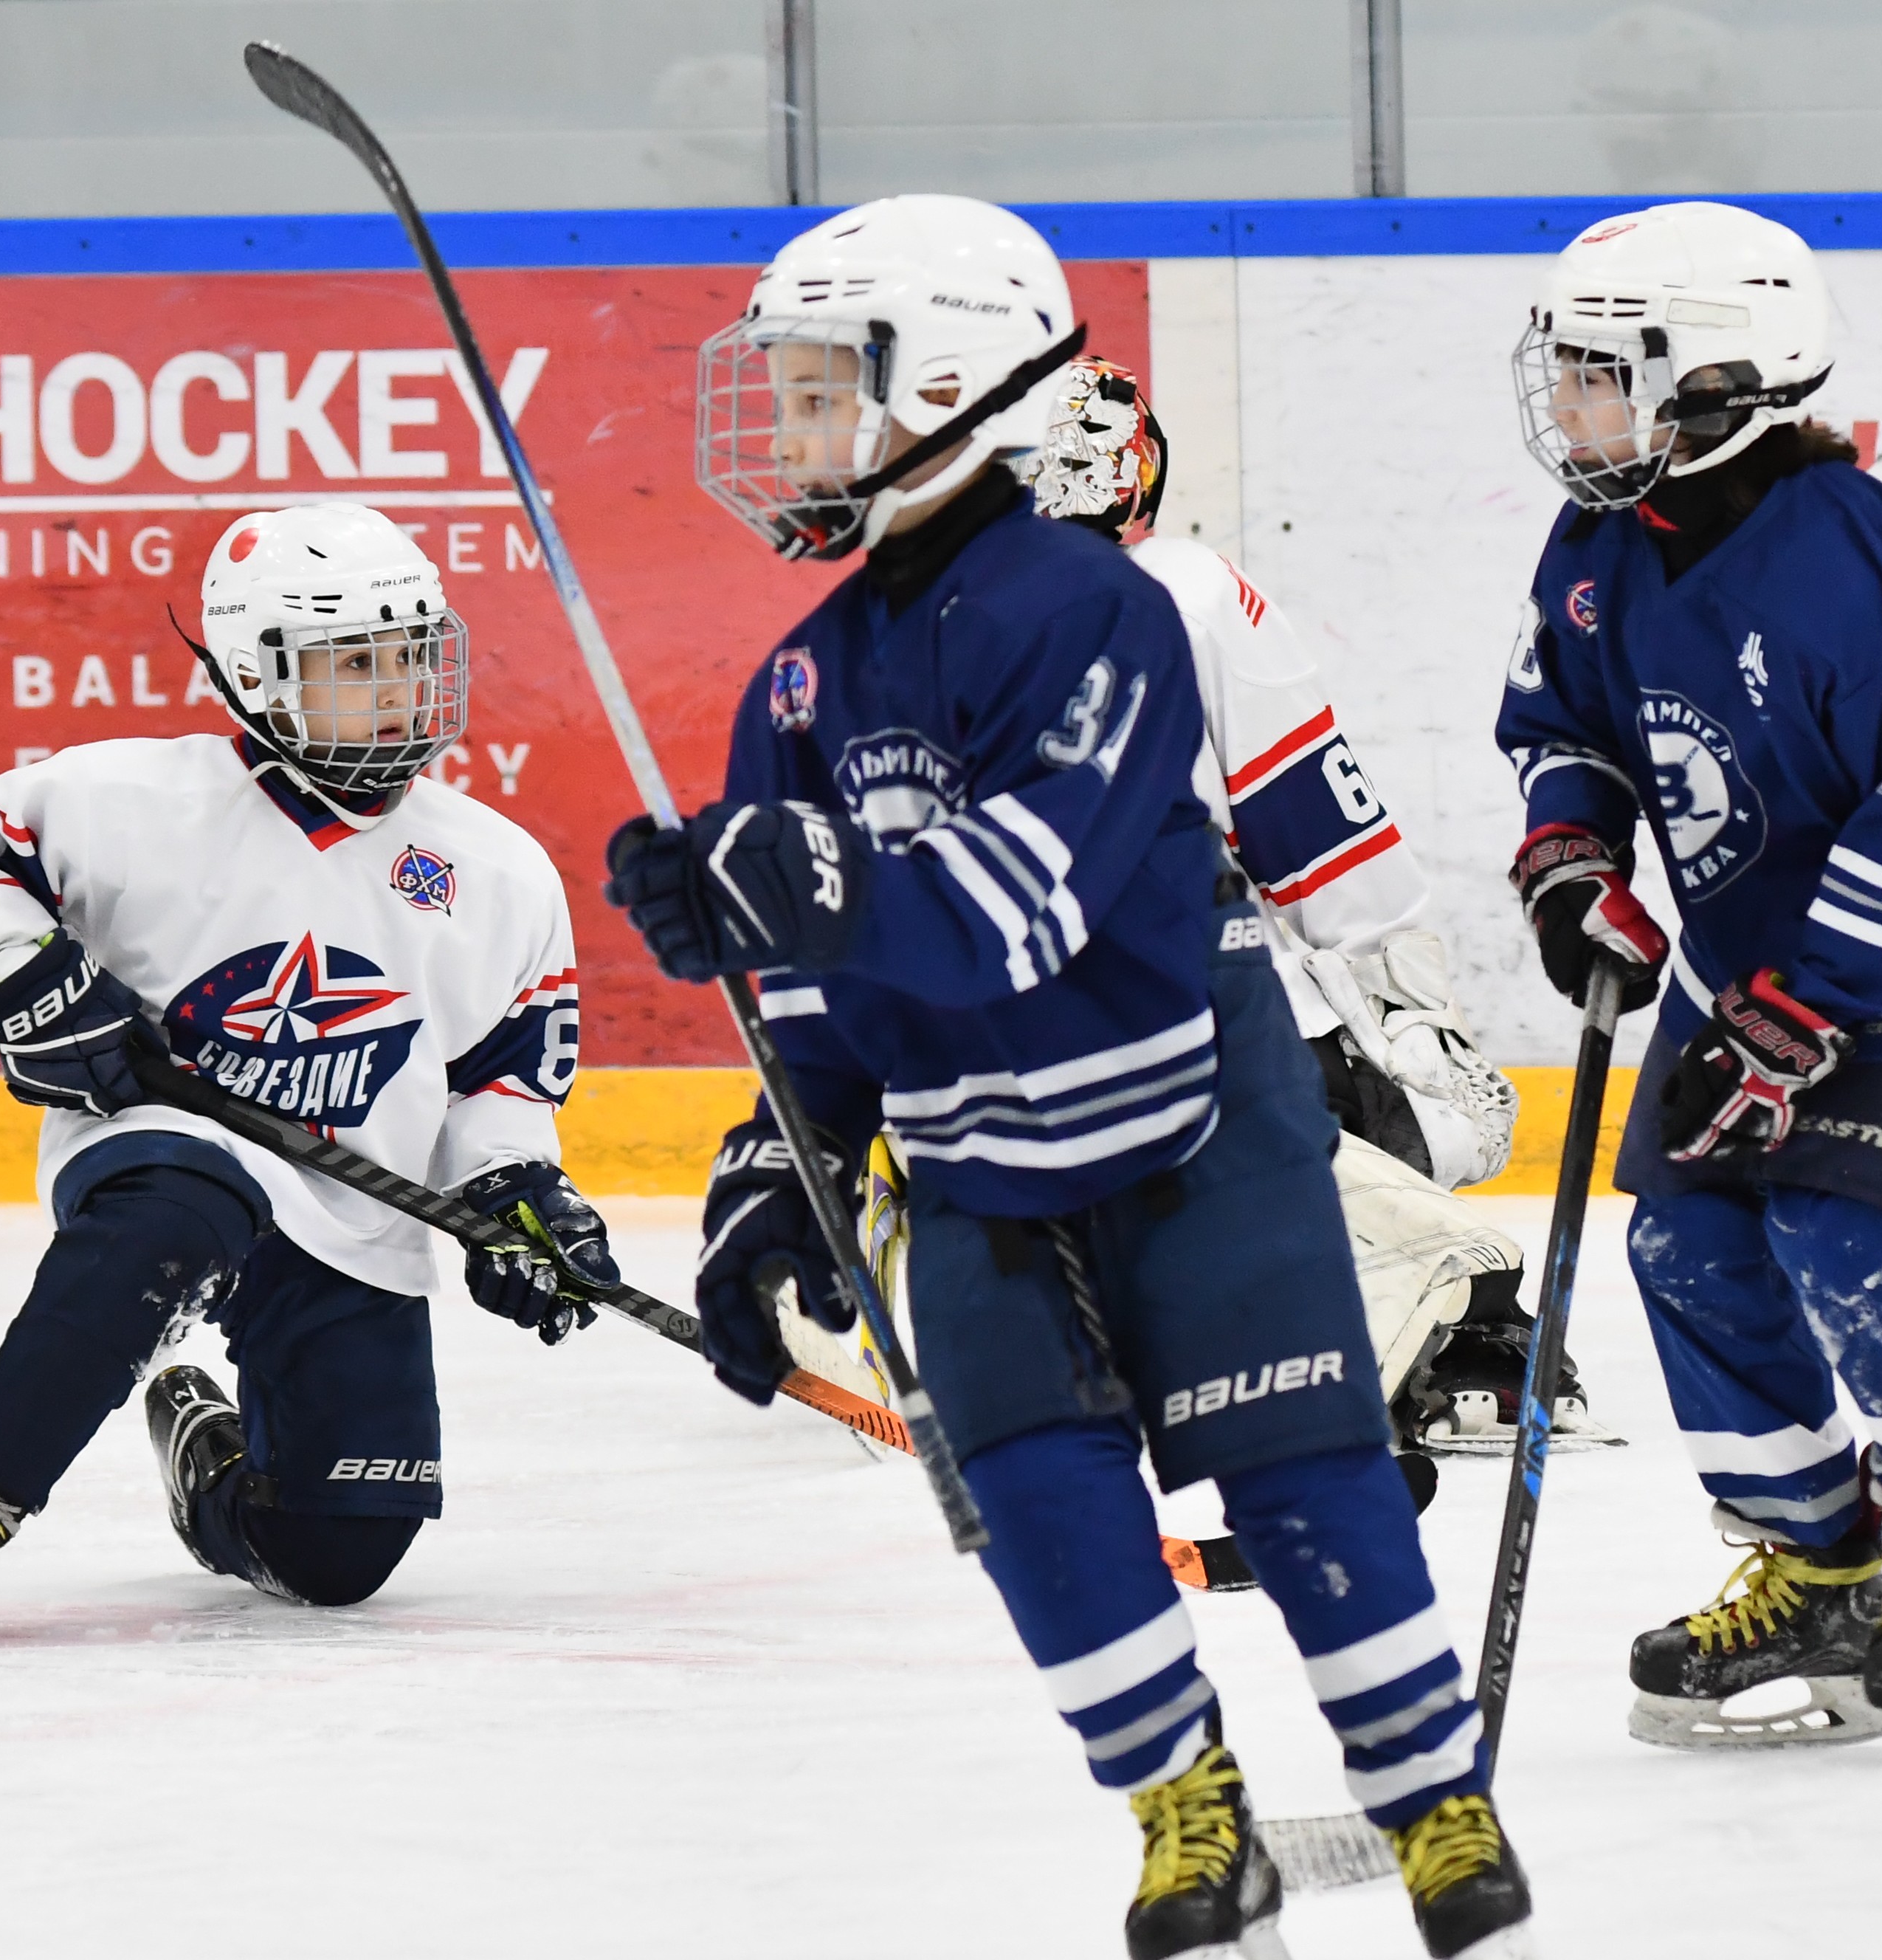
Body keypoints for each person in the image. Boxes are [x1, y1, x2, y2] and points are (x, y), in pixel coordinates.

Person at [607, 195, 1534, 1960]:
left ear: (950, 386)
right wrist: (775, 1131)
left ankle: (1429, 1794)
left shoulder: (1096, 609)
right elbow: (820, 986)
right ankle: (1188, 1805)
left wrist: (812, 884)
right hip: (973, 1161)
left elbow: (1019, 908)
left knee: (1301, 1467)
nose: (785, 425)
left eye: (824, 387)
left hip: (1198, 1125)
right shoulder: (799, 675)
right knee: (1037, 1501)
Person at [0, 503, 616, 1640]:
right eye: (354, 662)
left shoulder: (497, 870)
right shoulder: (128, 800)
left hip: (352, 1203)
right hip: (167, 1146)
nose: (397, 688)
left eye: (410, 655)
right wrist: (24, 980)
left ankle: (201, 1449)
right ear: (260, 674)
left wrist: (514, 1195)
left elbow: (500, 1083)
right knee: (184, 1198)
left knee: (337, 1555)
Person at [1496, 201, 1882, 1755]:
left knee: (1835, 1226)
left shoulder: (1843, 556)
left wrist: (1801, 1017)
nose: (1571, 407)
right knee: (1683, 1234)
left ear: (1713, 380)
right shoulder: (1605, 537)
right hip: (1750, 952)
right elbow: (1567, 726)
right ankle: (1814, 1564)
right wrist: (1571, 864)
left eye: (1605, 376)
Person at [1018, 357, 1615, 1458]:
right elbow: (1316, 827)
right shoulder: (1171, 592)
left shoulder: (924, 637)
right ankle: (1441, 1300)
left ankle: (1421, 1298)